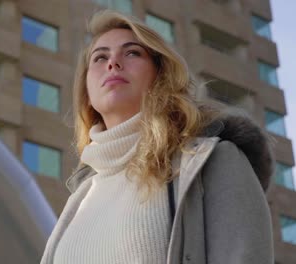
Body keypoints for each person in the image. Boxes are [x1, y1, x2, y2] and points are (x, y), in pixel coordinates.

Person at [40, 10, 274, 264]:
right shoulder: (82, 195)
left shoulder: (213, 161)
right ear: (86, 88)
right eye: (100, 57)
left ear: (161, 75)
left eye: (132, 53)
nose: (112, 63)